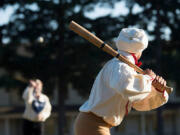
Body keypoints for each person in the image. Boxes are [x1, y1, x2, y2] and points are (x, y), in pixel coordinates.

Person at [74, 28, 169, 135]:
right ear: (139, 50)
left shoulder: (123, 68)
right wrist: (148, 78)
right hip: (93, 124)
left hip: (94, 124)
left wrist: (156, 89)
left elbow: (136, 101)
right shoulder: (120, 66)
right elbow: (128, 89)